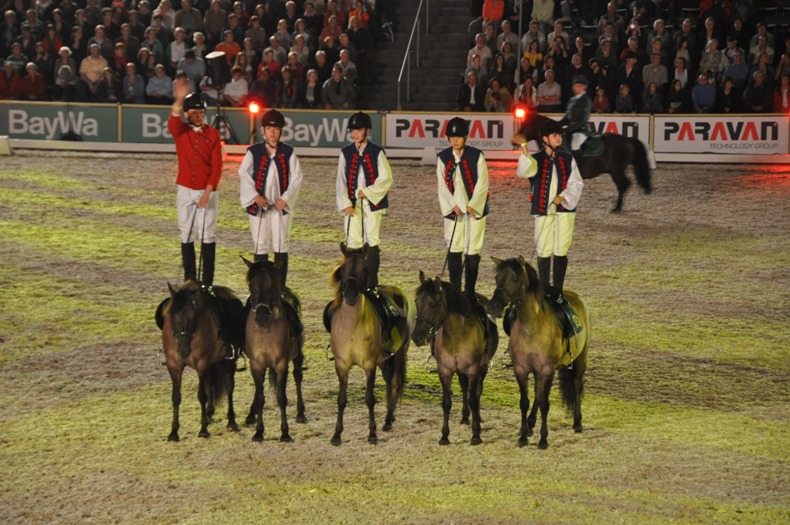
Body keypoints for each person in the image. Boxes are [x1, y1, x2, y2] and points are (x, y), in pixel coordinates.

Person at [516, 119, 584, 303]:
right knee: (543, 249)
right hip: (543, 210)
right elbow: (524, 172)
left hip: (564, 210)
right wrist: (524, 150)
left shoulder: (568, 158)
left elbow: (577, 182)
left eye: (560, 135)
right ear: (545, 138)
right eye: (555, 135)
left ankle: (558, 291)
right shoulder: (535, 159)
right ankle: (544, 289)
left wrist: (563, 196)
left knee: (561, 248)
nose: (558, 138)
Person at [238, 109, 304, 285]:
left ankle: (279, 287)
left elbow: (297, 177)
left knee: (281, 244)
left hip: (280, 207)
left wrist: (285, 198)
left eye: (275, 129)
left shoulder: (288, 152)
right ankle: (261, 285)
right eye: (269, 128)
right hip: (259, 206)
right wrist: (254, 195)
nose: (272, 132)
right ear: (263, 130)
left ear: (280, 131)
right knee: (260, 244)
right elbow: (243, 173)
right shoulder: (254, 151)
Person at [168, 81, 223, 286]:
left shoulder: (213, 134)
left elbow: (217, 167)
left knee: (207, 234)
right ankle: (189, 280)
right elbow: (172, 123)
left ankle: (207, 282)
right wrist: (179, 99)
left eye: (201, 112)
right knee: (186, 233)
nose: (199, 116)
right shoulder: (181, 131)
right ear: (187, 114)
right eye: (194, 113)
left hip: (207, 190)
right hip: (185, 188)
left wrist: (207, 192)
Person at [335, 111, 392, 289]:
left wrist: (368, 192)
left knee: (372, 240)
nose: (355, 134)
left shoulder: (377, 152)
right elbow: (341, 180)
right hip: (352, 204)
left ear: (366, 131)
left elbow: (386, 178)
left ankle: (371, 282)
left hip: (372, 203)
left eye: (358, 130)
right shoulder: (346, 153)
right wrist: (345, 203)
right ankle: (352, 281)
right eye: (353, 131)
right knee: (353, 241)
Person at [436, 117, 490, 301]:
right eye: (452, 137)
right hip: (454, 210)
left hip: (474, 209)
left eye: (458, 137)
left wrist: (473, 205)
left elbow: (483, 182)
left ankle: (470, 292)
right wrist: (453, 205)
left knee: (472, 249)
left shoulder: (476, 155)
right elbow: (442, 186)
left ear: (465, 137)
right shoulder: (443, 157)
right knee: (454, 248)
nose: (455, 140)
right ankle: (455, 291)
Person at [559, 75, 592, 152]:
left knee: (575, 144)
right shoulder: (572, 100)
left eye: (577, 86)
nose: (574, 87)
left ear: (584, 87)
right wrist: (557, 125)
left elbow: (582, 120)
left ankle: (577, 160)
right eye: (574, 85)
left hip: (581, 130)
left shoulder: (586, 100)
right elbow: (567, 117)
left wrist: (568, 129)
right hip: (570, 129)